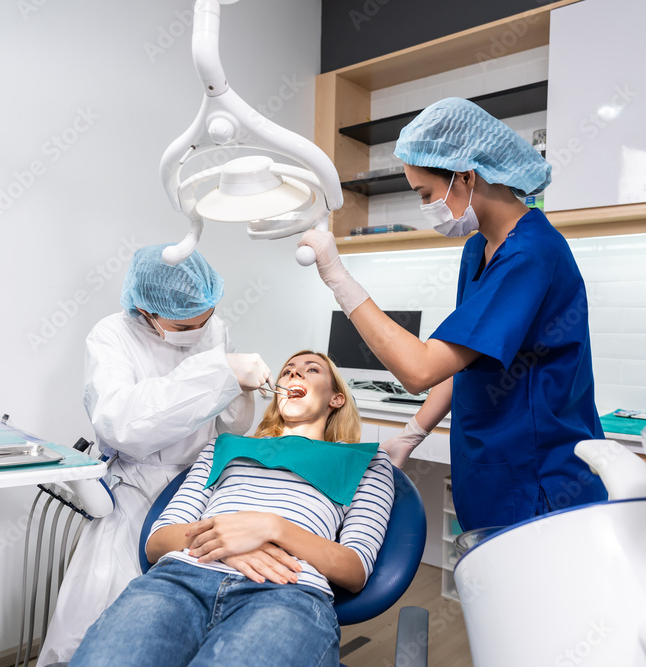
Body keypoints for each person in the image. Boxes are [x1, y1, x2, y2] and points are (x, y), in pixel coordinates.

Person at [298, 97, 607, 532]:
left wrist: (338, 278)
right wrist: (412, 432)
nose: (426, 208)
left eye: (426, 194)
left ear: (465, 175)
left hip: (539, 478)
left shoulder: (531, 255)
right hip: (487, 465)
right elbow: (459, 361)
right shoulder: (478, 249)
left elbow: (420, 369)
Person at [68, 351, 394, 667]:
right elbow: (158, 541)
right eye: (288, 369)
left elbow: (354, 571)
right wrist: (226, 543)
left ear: (336, 398)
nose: (294, 373)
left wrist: (271, 528)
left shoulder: (366, 461)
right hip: (180, 579)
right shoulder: (224, 446)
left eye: (311, 369)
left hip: (285, 594)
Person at [39, 244, 276, 666]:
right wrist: (220, 374)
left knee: (197, 619)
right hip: (137, 494)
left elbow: (229, 426)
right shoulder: (113, 335)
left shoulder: (214, 328)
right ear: (146, 310)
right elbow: (123, 424)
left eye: (204, 320)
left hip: (199, 490)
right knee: (116, 620)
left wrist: (238, 391)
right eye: (185, 325)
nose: (198, 332)